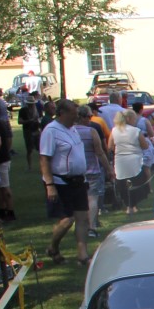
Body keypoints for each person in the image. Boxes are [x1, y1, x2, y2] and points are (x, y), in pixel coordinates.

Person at [39, 99, 91, 263]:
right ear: (62, 113)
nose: (76, 117)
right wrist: (50, 185)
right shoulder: (51, 131)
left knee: (82, 218)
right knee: (67, 220)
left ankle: (82, 255)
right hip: (60, 182)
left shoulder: (73, 129)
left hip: (78, 181)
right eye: (73, 114)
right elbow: (45, 159)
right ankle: (53, 246)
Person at [75, 105, 111, 239]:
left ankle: (80, 226)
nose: (91, 119)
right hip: (92, 169)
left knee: (80, 200)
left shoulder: (69, 131)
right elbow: (100, 152)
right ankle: (91, 227)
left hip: (75, 172)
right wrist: (109, 169)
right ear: (83, 117)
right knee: (92, 199)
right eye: (89, 116)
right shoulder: (91, 131)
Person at [111, 108, 149, 215]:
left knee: (123, 184)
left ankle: (128, 205)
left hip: (120, 160)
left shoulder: (114, 130)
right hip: (134, 160)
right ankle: (134, 205)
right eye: (134, 118)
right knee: (136, 182)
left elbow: (110, 146)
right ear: (129, 118)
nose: (135, 121)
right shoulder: (136, 131)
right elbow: (144, 145)